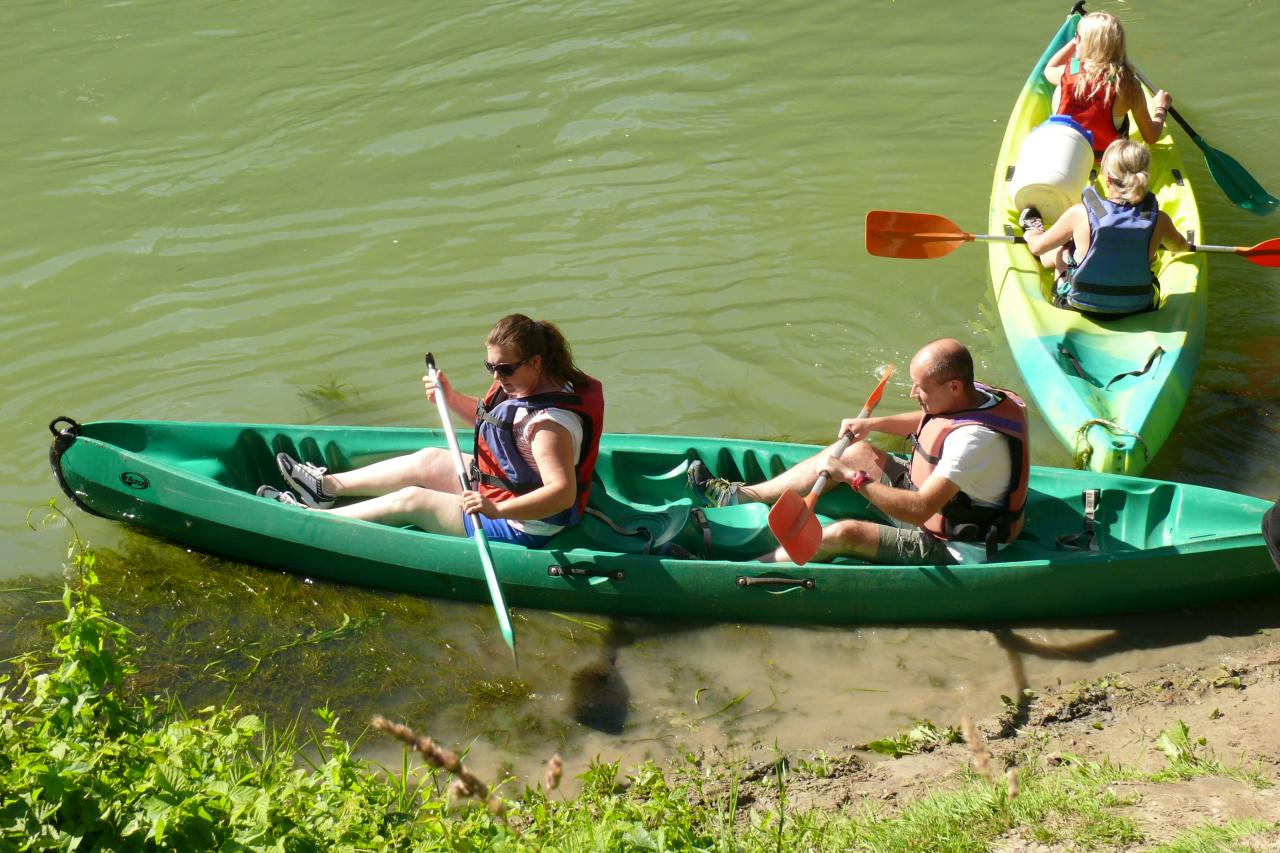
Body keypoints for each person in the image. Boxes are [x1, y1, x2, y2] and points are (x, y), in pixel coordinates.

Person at [257, 314, 604, 548]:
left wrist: (496, 510)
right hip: (502, 492)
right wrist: (450, 398)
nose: (496, 377)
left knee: (414, 498)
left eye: (504, 368)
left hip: (525, 524)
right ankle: (325, 487)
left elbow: (562, 495)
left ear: (536, 362)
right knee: (428, 460)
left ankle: (315, 521)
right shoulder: (525, 386)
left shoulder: (548, 427)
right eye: (490, 366)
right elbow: (501, 424)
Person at [688, 339, 1029, 565]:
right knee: (855, 450)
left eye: (920, 387)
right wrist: (874, 424)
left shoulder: (973, 442)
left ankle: (740, 569)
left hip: (961, 542)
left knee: (846, 533)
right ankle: (740, 497)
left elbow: (919, 510)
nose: (913, 393)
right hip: (943, 504)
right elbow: (932, 419)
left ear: (954, 386)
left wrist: (852, 478)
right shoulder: (979, 395)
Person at [1020, 138, 1191, 318]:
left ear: (1107, 177)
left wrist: (1031, 234)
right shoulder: (1159, 220)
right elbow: (1179, 246)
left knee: (1061, 253)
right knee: (1148, 256)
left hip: (1079, 305)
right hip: (1138, 306)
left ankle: (1036, 228)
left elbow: (1037, 247)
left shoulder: (1080, 214)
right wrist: (1182, 246)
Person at [1044, 10, 1170, 159]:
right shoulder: (1128, 86)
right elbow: (1151, 136)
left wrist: (1075, 42)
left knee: (1060, 88)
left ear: (1089, 44)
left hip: (1068, 155)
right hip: (1108, 159)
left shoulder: (1069, 71)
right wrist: (1161, 108)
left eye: (1078, 37)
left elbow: (1049, 69)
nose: (1076, 41)